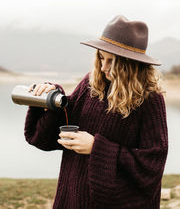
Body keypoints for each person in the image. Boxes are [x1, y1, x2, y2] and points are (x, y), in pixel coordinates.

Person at [24, 15, 168, 208]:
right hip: (72, 197)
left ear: (130, 64)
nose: (103, 67)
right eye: (101, 57)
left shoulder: (149, 100)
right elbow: (52, 134)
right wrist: (52, 97)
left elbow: (152, 165)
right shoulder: (90, 85)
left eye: (112, 61)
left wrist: (96, 147)